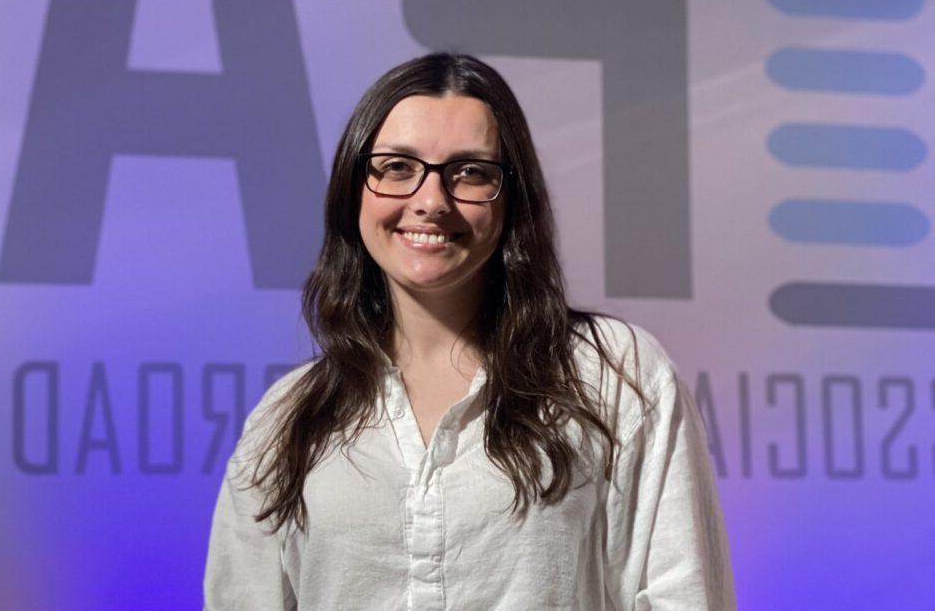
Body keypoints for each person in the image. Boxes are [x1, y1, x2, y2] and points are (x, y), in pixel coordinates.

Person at [203, 53, 733, 609]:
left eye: (471, 172)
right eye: (398, 167)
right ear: (354, 189)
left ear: (512, 199)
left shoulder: (614, 375)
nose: (431, 201)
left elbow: (685, 594)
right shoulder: (287, 420)